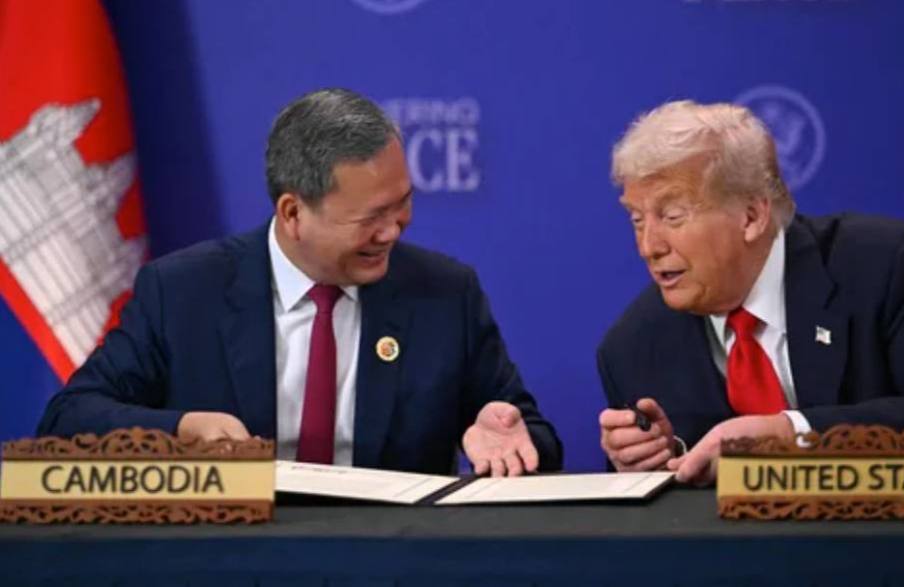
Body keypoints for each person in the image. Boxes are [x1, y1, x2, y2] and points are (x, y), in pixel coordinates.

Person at [37, 88, 562, 477]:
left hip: (391, 565)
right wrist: (183, 429)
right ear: (292, 213)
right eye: (371, 217)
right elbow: (67, 419)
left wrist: (508, 437)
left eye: (403, 203)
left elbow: (532, 434)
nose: (394, 230)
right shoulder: (182, 293)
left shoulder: (445, 295)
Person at [597, 100, 904, 485]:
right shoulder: (632, 347)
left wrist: (793, 436)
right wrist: (648, 458)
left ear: (751, 216)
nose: (648, 246)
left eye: (672, 216)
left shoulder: (883, 267)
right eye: (637, 219)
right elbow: (650, 499)